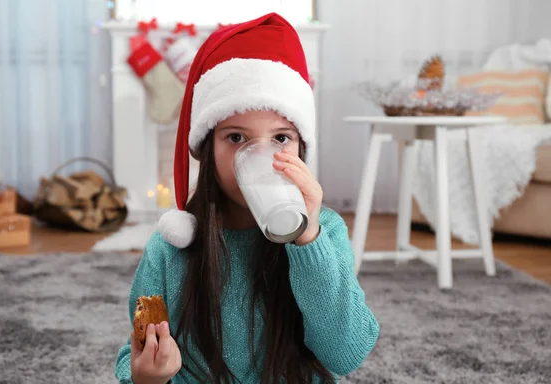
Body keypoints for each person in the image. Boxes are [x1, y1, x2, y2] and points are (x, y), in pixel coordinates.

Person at [115, 12, 379, 384]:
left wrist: (307, 240)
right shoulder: (170, 247)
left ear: (301, 148)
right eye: (236, 137)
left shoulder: (325, 233)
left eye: (281, 138)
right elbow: (136, 354)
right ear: (208, 148)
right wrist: (147, 376)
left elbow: (345, 353)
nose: (263, 157)